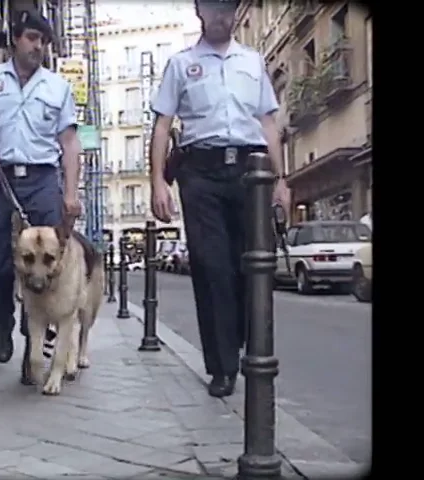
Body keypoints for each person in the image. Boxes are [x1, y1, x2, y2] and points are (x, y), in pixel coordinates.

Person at [149, 0, 290, 398]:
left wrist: (280, 181)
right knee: (213, 270)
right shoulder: (181, 64)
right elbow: (163, 124)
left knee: (251, 266)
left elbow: (267, 121)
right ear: (200, 13)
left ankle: (247, 346)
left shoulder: (253, 62)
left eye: (229, 8)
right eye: (215, 9)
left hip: (251, 171)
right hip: (201, 173)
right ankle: (222, 366)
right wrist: (158, 181)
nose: (223, 16)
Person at [0, 9, 82, 364]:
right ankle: (2, 319)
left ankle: (33, 333)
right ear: (15, 39)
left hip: (42, 179)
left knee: (47, 260)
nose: (38, 46)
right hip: (0, 178)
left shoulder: (58, 87)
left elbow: (70, 143)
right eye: (32, 38)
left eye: (43, 40)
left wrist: (71, 193)